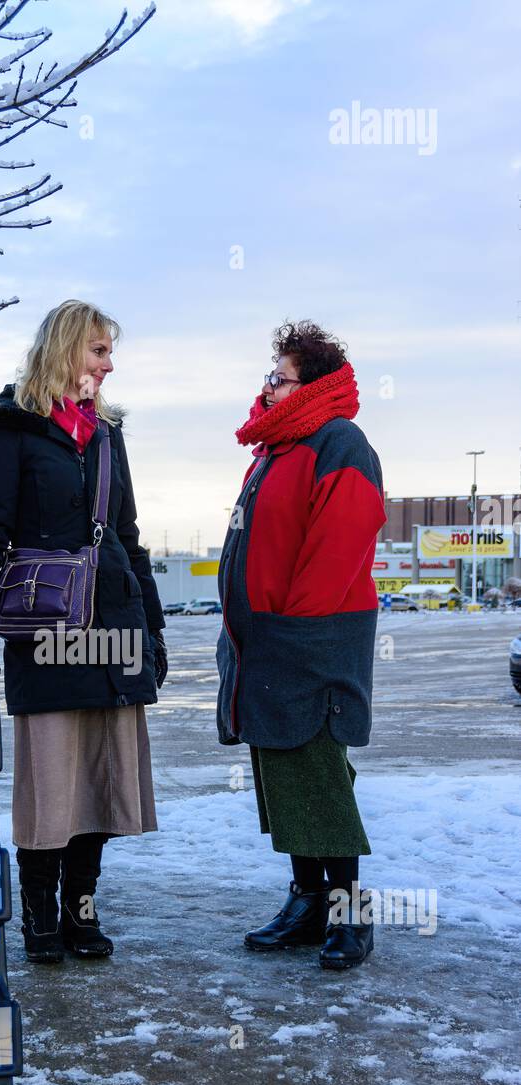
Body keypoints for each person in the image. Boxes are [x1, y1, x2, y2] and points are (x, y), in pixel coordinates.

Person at [0, 300, 167, 963]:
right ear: (63, 350)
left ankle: (82, 914)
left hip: (113, 626)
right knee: (50, 784)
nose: (108, 364)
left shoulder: (109, 436)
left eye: (110, 352)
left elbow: (129, 541)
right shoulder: (9, 429)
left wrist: (155, 632)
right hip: (46, 627)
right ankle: (40, 920)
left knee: (98, 782)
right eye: (98, 350)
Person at [216, 321, 386, 969]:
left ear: (311, 384)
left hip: (310, 649)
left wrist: (293, 633)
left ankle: (349, 912)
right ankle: (308, 901)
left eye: (279, 378)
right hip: (265, 650)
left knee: (319, 777)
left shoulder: (339, 444)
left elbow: (336, 550)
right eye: (269, 376)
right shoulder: (273, 453)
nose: (268, 388)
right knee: (285, 778)